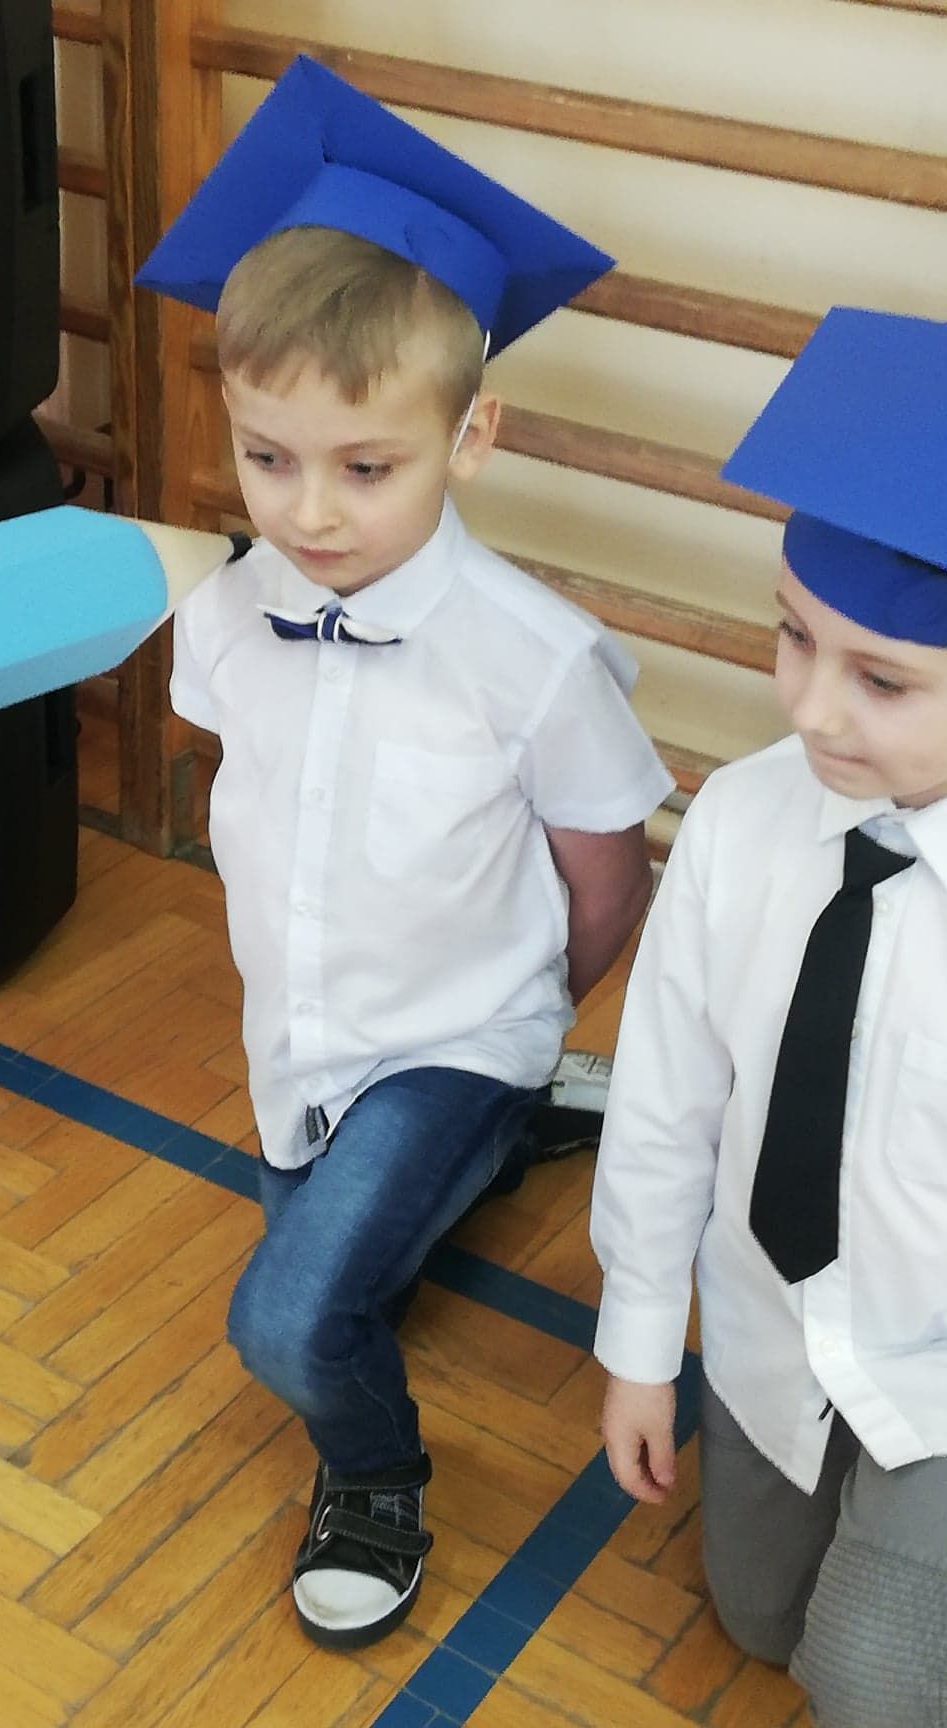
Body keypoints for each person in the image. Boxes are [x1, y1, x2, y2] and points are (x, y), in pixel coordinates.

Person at [137, 55, 674, 1650]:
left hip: (457, 1029)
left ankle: (375, 1476)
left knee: (292, 1317)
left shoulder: (535, 660)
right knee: (349, 1255)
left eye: (365, 467)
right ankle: (507, 1138)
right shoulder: (226, 616)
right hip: (300, 1035)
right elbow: (260, 794)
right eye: (268, 456)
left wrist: (524, 1018)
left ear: (472, 433)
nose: (310, 510)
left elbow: (608, 874)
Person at [591, 306, 947, 1727]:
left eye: (883, 680)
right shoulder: (742, 824)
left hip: (941, 1366)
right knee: (757, 1621)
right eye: (795, 637)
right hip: (771, 1328)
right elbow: (665, 1098)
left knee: (868, 1680)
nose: (809, 710)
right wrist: (638, 1345)